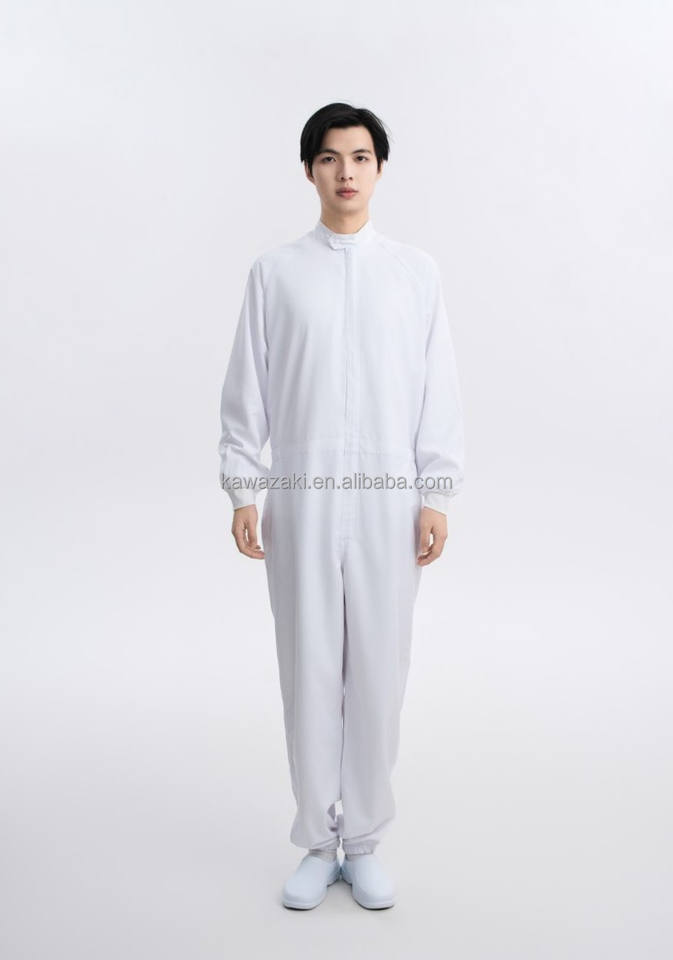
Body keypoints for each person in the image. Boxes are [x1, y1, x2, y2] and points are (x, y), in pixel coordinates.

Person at [217, 102, 464, 910]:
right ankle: (316, 842)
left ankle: (362, 842)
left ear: (379, 169)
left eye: (360, 157)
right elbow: (247, 387)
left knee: (379, 668)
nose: (345, 172)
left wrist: (435, 491)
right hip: (302, 493)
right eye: (329, 158)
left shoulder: (414, 273)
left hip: (389, 498)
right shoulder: (276, 273)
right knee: (310, 665)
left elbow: (437, 388)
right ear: (309, 170)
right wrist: (244, 485)